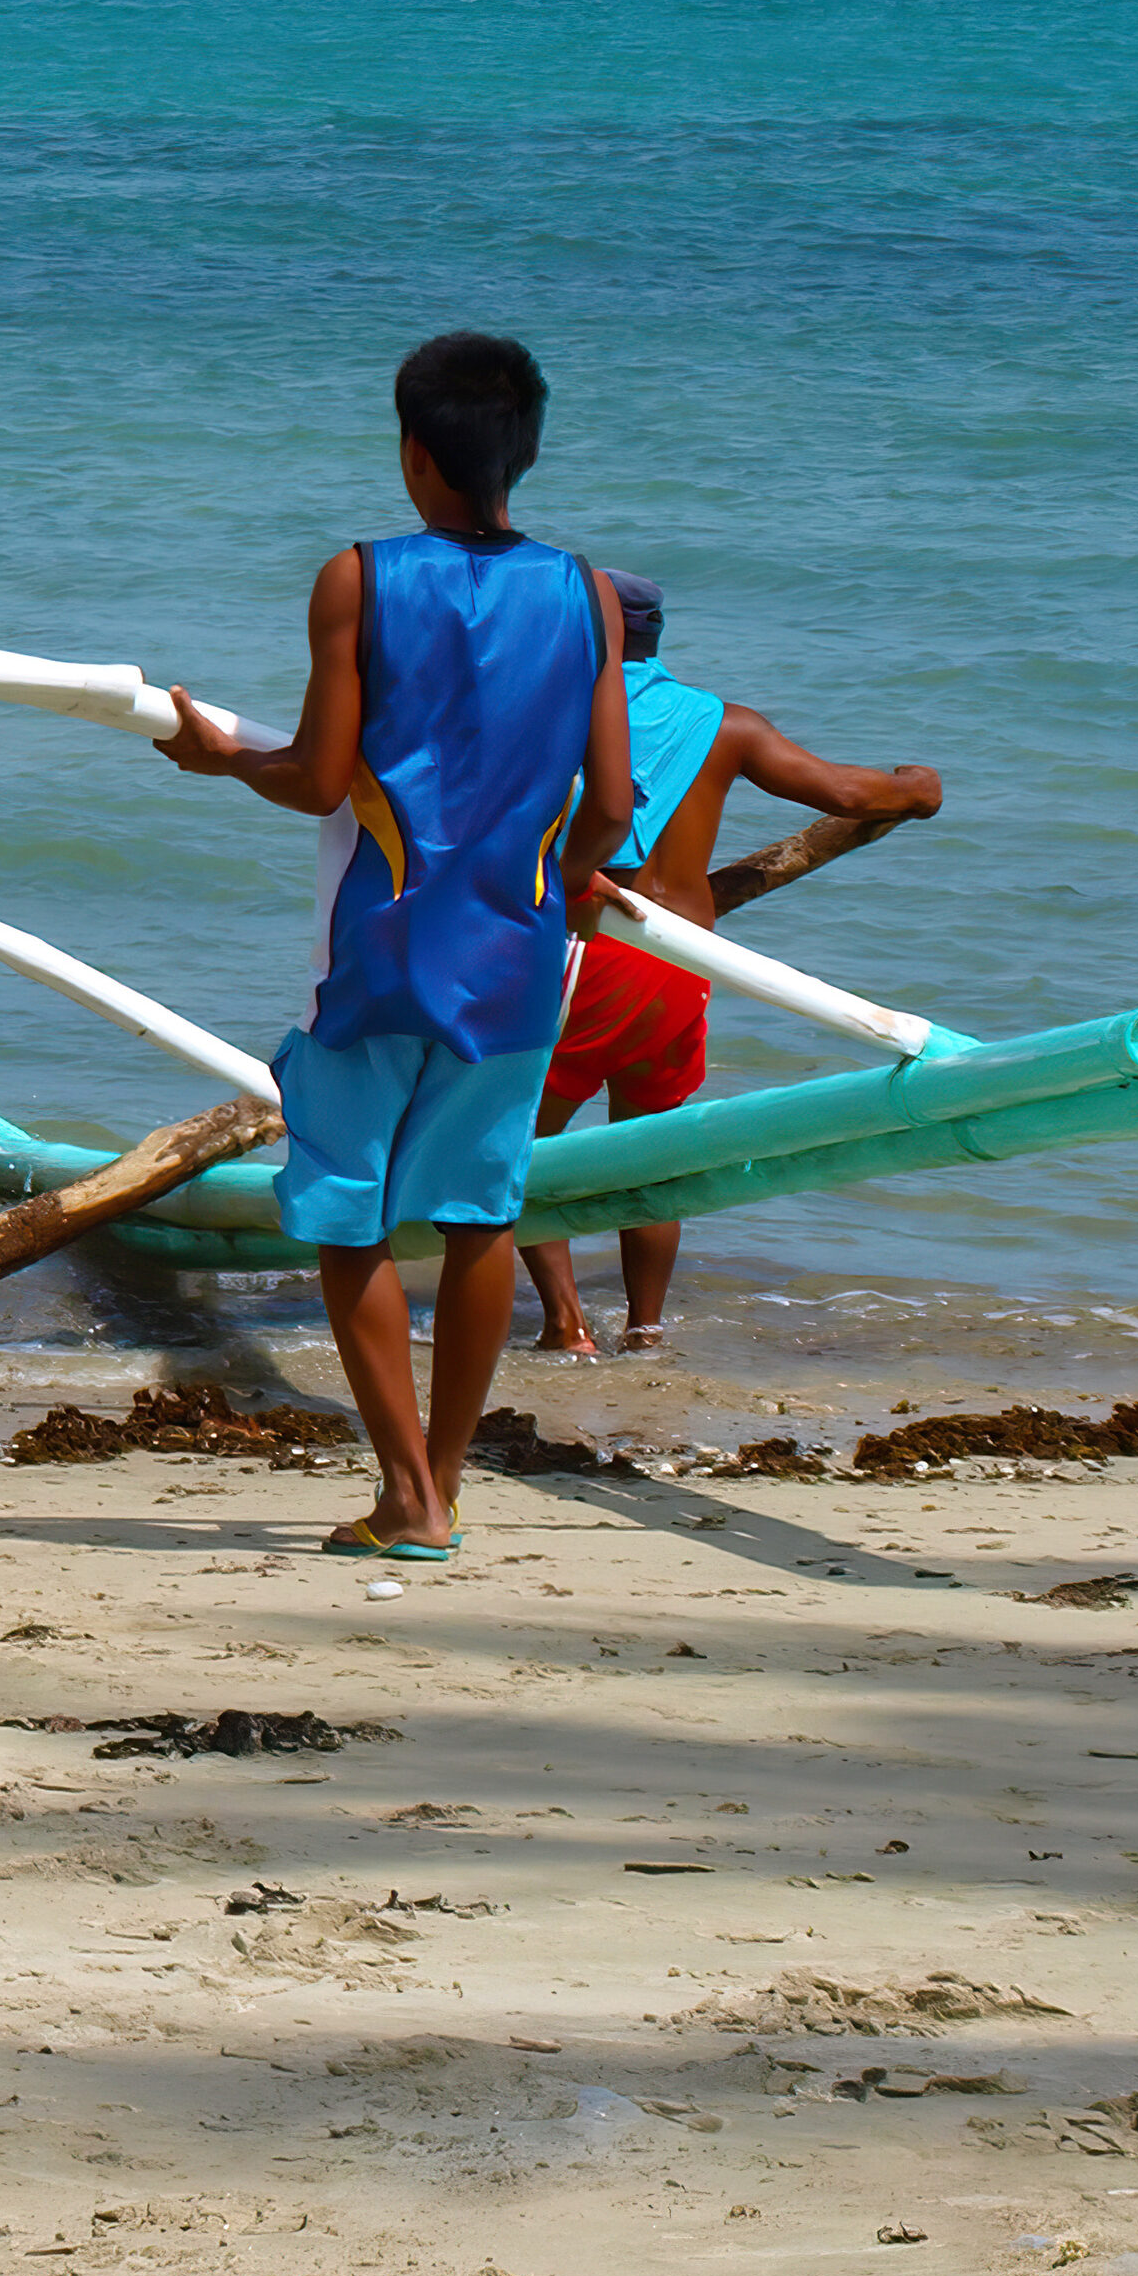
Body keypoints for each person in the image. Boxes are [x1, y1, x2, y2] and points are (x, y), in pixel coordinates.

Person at [160, 330, 631, 1561]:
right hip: (515, 953)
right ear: (523, 452)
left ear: (413, 451)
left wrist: (220, 758)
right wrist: (567, 883)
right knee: (480, 1216)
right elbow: (609, 802)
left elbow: (319, 777)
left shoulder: (356, 578)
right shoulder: (584, 591)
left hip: (377, 948)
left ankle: (404, 1490)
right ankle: (445, 1481)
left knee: (346, 1215)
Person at [527, 571, 946, 1358]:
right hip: (683, 964)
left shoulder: (556, 711)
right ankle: (645, 1329)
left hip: (591, 950)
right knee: (650, 1148)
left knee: (522, 1141)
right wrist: (915, 788)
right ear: (656, 635)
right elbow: (845, 792)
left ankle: (567, 1325)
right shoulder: (724, 724)